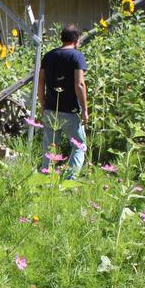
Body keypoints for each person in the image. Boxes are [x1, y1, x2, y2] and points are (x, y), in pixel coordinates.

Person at [38, 24, 88, 179]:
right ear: (76, 39)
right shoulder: (76, 56)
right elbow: (79, 84)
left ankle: (44, 178)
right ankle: (69, 180)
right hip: (70, 111)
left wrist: (43, 105)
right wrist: (85, 109)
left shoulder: (49, 55)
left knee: (50, 147)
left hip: (50, 109)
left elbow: (40, 82)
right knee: (79, 146)